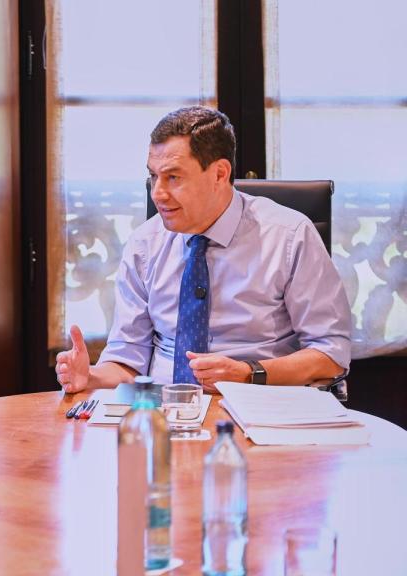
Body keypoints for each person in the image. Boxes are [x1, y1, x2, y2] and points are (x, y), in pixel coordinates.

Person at [56, 106, 351, 393]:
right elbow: (127, 361)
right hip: (163, 412)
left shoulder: (289, 236)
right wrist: (90, 376)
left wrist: (248, 373)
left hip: (262, 405)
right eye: (153, 176)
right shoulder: (144, 244)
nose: (157, 193)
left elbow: (331, 355)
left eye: (173, 177)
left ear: (220, 174)